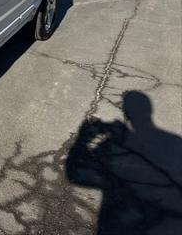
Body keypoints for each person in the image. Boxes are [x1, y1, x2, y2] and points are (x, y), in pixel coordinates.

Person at [66, 91, 182, 234]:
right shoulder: (175, 143)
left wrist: (83, 138)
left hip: (122, 226)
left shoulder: (112, 146)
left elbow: (76, 174)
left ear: (126, 114)